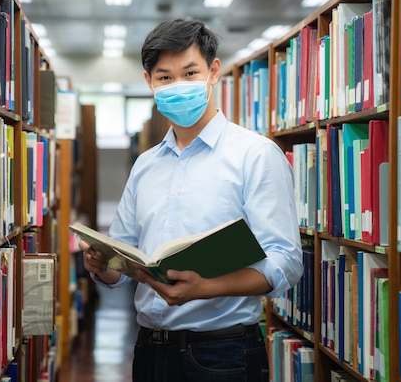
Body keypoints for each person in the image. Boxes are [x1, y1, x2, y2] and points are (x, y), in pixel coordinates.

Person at [78, 19, 303, 382]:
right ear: (149, 81)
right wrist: (102, 265)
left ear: (213, 72)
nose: (177, 85)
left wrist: (208, 288)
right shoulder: (145, 165)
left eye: (189, 72)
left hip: (222, 354)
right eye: (165, 77)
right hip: (149, 351)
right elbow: (123, 259)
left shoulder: (256, 154)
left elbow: (287, 261)